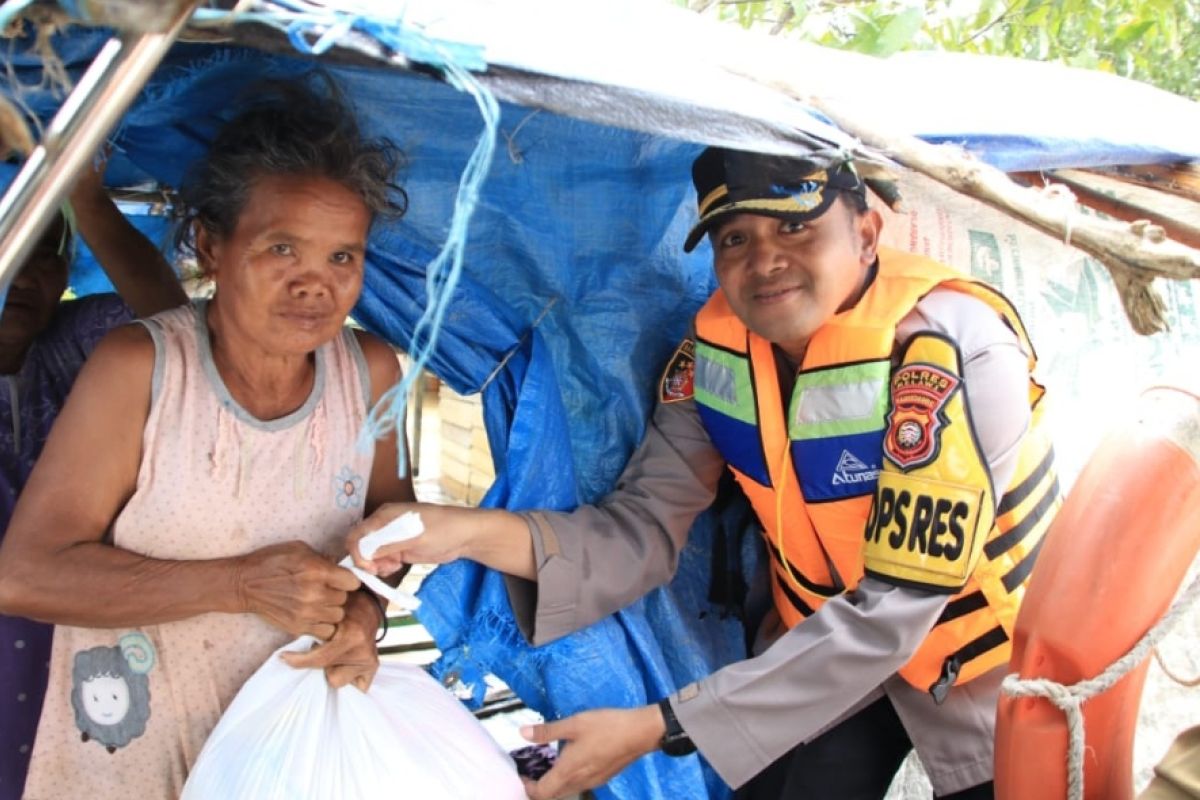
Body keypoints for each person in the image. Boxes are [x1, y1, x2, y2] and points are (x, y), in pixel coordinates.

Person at [348, 147, 1061, 799]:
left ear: (867, 235)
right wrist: (459, 532)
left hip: (981, 659)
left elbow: (896, 611)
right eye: (735, 239)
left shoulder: (950, 352)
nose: (765, 260)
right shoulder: (715, 360)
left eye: (795, 229)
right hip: (818, 651)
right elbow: (641, 529)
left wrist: (658, 724)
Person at [0, 77, 415, 799]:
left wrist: (363, 614)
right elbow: (24, 575)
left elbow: (394, 542)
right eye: (282, 248)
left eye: (342, 257)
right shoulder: (138, 368)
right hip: (132, 759)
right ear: (210, 245)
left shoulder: (371, 371)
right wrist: (238, 584)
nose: (314, 284)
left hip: (291, 763)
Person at [0, 156, 187, 800]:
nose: (21, 273)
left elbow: (177, 328)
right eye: (5, 243)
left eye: (44, 249)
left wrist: (87, 198)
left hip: (85, 660)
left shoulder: (81, 343)